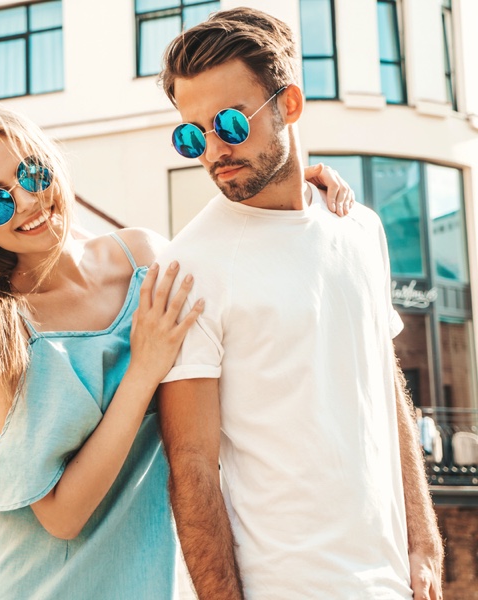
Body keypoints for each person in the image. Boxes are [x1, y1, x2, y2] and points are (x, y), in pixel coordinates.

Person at [0, 104, 353, 599]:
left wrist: (291, 195)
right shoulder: (11, 331)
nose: (27, 201)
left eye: (31, 173)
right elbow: (61, 515)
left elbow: (236, 286)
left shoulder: (143, 257)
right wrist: (143, 368)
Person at [154, 8, 443, 600]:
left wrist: (424, 545)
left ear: (288, 105)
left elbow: (386, 392)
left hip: (391, 583)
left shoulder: (360, 229)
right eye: (192, 134)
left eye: (231, 124)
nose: (212, 151)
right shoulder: (190, 269)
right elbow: (192, 468)